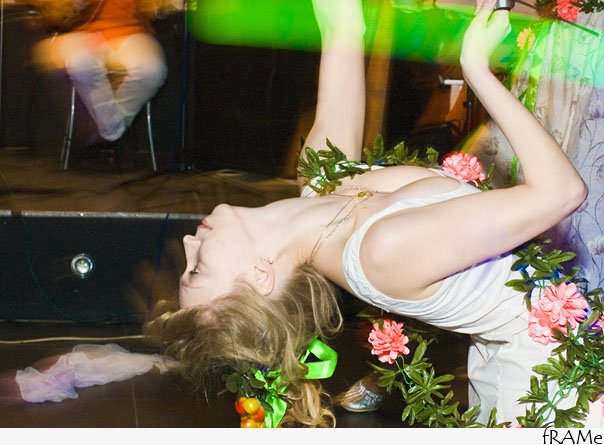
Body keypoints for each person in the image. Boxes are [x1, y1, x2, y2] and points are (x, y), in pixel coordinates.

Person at [144, 0, 601, 427]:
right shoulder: (381, 252)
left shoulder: (320, 181)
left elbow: (343, 24)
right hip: (549, 378)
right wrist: (477, 71)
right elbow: (561, 192)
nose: (189, 243)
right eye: (197, 268)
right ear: (261, 276)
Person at [32, 0, 169, 143]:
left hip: (132, 32)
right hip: (84, 33)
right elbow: (52, 14)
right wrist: (69, 5)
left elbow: (155, 9)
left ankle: (105, 129)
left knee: (152, 70)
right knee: (79, 61)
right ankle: (113, 130)